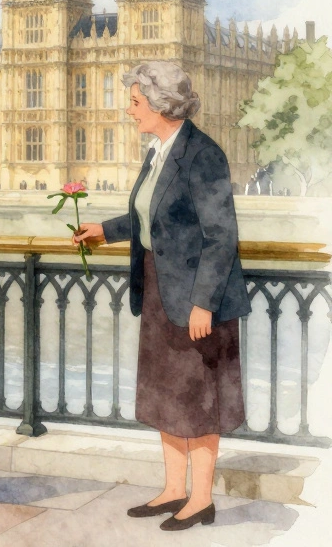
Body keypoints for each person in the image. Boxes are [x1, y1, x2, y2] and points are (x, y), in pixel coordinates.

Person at [74, 61, 248, 532]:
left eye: (134, 102)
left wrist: (204, 303)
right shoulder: (159, 151)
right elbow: (150, 218)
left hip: (194, 296)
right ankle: (174, 490)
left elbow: (221, 236)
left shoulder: (202, 154)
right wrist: (102, 231)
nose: (128, 111)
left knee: (199, 398)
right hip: (158, 288)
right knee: (167, 397)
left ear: (160, 105)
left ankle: (203, 499)